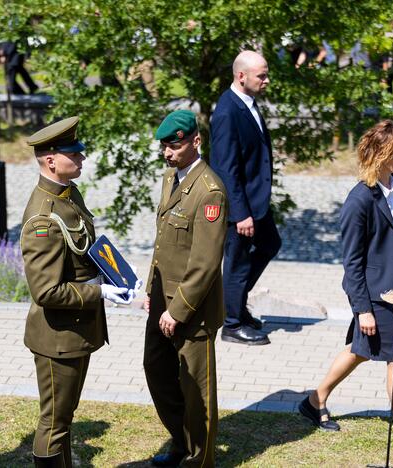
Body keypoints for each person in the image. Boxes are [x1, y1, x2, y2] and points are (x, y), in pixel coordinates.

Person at [299, 121, 393, 464]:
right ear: (383, 157)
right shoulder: (358, 201)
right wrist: (362, 309)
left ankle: (314, 401)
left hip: (391, 292)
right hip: (372, 296)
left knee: (359, 350)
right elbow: (352, 263)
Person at [20, 116, 135, 467]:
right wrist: (99, 293)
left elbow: (84, 252)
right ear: (51, 160)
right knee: (54, 422)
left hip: (74, 331)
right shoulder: (43, 217)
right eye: (74, 154)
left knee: (64, 418)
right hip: (57, 336)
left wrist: (116, 275)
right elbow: (47, 291)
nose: (82, 158)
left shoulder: (68, 196)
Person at [143, 110, 228, 467]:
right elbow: (163, 242)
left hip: (191, 310)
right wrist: (151, 288)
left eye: (175, 145)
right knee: (156, 370)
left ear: (196, 140)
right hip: (162, 300)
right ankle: (180, 441)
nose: (168, 152)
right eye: (164, 146)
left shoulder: (210, 191)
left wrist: (178, 311)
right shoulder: (170, 179)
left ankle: (199, 459)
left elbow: (206, 262)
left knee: (197, 391)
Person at [210, 50, 279, 346]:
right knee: (236, 262)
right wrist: (239, 214)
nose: (266, 80)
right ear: (241, 76)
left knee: (270, 243)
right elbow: (225, 167)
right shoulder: (227, 111)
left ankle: (234, 304)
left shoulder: (247, 103)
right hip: (241, 206)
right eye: (261, 75)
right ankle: (232, 324)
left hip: (256, 200)